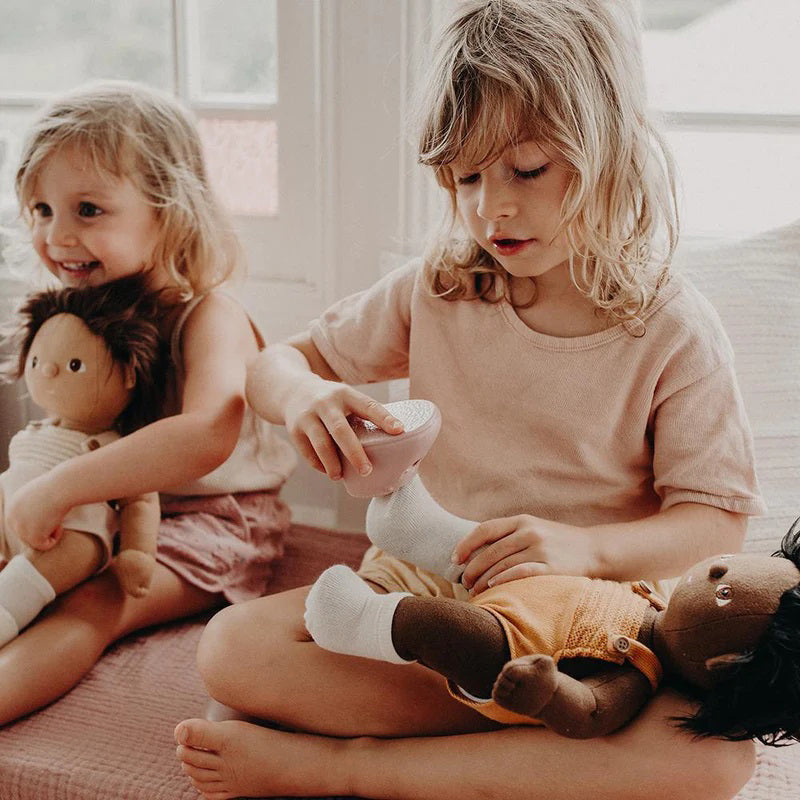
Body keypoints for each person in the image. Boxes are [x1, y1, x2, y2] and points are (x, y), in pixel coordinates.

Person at [175, 1, 764, 798]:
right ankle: (528, 740)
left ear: (610, 151)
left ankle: (348, 765)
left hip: (587, 625)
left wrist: (584, 549)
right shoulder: (442, 286)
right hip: (420, 596)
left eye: (527, 170)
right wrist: (306, 393)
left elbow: (717, 517)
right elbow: (273, 363)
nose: (492, 209)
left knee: (714, 759)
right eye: (465, 177)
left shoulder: (673, 325)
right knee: (229, 652)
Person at [0, 80, 296, 724]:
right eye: (41, 210)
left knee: (94, 600)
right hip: (102, 510)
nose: (56, 235)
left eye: (88, 210)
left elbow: (204, 435)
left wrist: (58, 490)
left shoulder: (208, 315)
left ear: (170, 211)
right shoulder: (82, 316)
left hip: (211, 518)